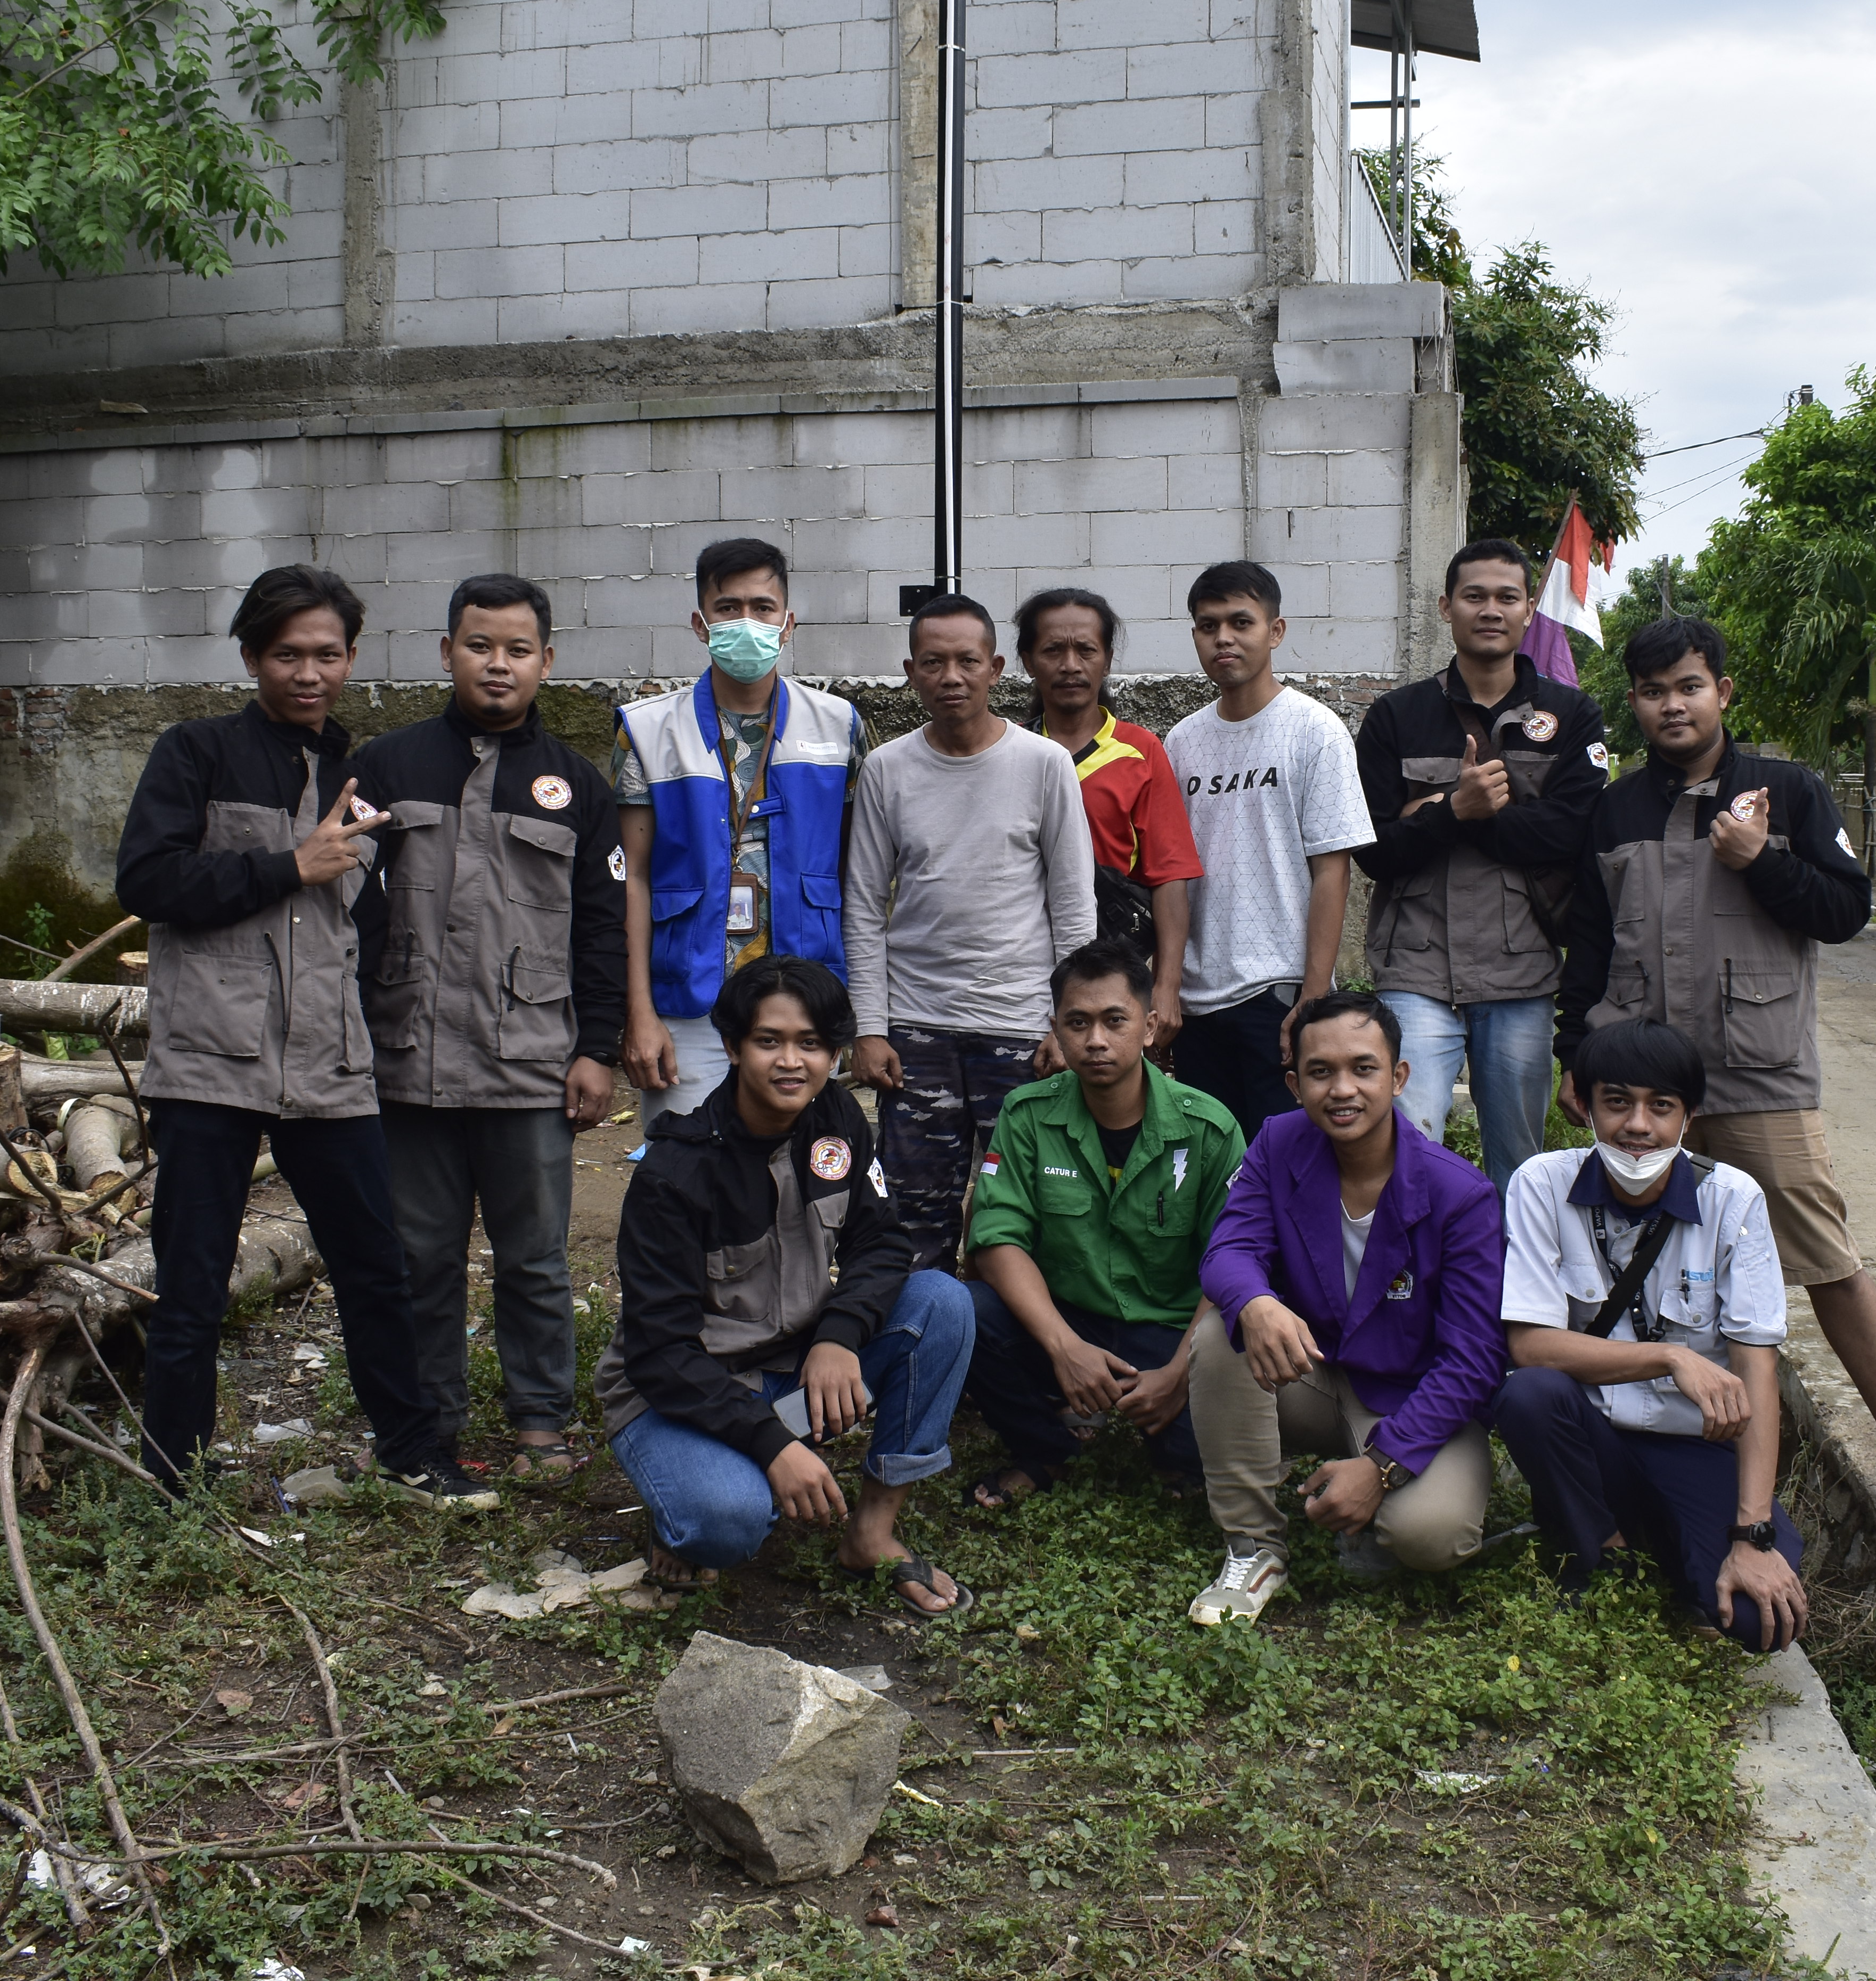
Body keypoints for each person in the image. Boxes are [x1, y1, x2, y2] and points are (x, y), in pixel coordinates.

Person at [1559, 614, 1876, 1534]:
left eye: (1690, 686)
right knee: (1634, 1260)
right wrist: (1578, 1055)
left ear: (1723, 693)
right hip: (1640, 1080)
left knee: (1822, 1255)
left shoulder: (1788, 789)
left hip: (1757, 1067)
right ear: (1635, 703)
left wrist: (1760, 860)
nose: (1674, 704)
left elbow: (1845, 912)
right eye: (1656, 691)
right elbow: (1587, 941)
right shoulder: (1614, 809)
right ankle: (1652, 1455)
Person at [113, 564, 492, 1509]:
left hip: (329, 1064)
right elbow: (148, 882)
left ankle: (412, 1455)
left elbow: (369, 924)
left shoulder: (359, 775)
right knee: (193, 1286)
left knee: (375, 1266)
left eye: (328, 654)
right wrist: (288, 864)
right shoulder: (194, 754)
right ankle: (178, 1486)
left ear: (353, 658)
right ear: (252, 657)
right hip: (211, 1059)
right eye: (289, 654)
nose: (310, 673)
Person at [592, 955, 976, 1614]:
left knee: (941, 1301)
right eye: (769, 1041)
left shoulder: (837, 1121)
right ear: (733, 1046)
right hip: (682, 1394)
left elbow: (880, 1241)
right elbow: (662, 1357)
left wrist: (838, 1337)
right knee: (726, 1522)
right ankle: (694, 1499)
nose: (791, 1061)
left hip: (793, 1374)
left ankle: (872, 1531)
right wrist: (770, 1443)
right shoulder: (675, 1173)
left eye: (812, 1043)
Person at [348, 575, 625, 1475]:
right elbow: (353, 910)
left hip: (530, 1063)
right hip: (408, 1062)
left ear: (547, 661)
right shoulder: (389, 767)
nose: (496, 665)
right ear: (446, 652)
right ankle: (431, 1427)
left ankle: (541, 1420)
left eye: (516, 649)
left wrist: (596, 1050)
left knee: (535, 1261)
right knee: (419, 1255)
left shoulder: (578, 787)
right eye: (479, 646)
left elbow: (601, 927)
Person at [1184, 993, 1506, 1623]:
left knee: (1430, 1537)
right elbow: (1228, 1249)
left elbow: (1475, 1358)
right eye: (1321, 1071)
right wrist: (1255, 1300)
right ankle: (1254, 1547)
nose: (1343, 1089)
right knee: (1223, 1335)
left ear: (1399, 1076)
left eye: (1364, 1068)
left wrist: (1381, 1467)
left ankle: (1378, 1508)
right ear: (1294, 1082)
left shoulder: (1460, 1195)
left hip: (1412, 1398)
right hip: (1314, 1376)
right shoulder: (1279, 1143)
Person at [1490, 1019, 1807, 1652]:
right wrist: (1668, 1356)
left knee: (1755, 1624)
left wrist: (1753, 1535)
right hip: (1593, 1435)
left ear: (1691, 1114)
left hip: (1697, 1445)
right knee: (1529, 1393)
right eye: (1617, 1102)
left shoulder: (1733, 1200)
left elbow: (1756, 1368)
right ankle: (1602, 1552)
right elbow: (1528, 1345)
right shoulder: (1542, 1184)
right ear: (1584, 1103)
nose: (1638, 1126)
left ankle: (1669, 1540)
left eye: (1661, 1107)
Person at [846, 594, 1098, 1271]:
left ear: (996, 668)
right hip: (917, 1033)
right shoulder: (887, 770)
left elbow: (1074, 906)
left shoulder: (1044, 765)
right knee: (912, 1220)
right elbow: (865, 907)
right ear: (910, 671)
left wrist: (1066, 1023)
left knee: (1022, 1220)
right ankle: (924, 1362)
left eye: (966, 661)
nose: (951, 676)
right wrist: (870, 1028)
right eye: (933, 662)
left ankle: (1014, 1368)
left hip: (1020, 1030)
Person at [1353, 537, 1608, 1189]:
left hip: (1522, 970)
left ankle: (1508, 1294)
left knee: (1519, 1165)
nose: (1490, 609)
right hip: (1414, 965)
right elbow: (1376, 851)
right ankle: (1417, 1287)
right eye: (1474, 596)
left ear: (1529, 612)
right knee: (1405, 1151)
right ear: (1446, 607)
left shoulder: (1572, 715)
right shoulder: (1395, 716)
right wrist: (1453, 812)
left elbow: (1570, 833)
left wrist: (1454, 814)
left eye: (1507, 597)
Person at [958, 937, 1246, 1507]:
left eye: (1115, 1020)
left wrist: (1178, 1374)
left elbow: (1236, 1261)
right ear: (1056, 1030)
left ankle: (1175, 1449)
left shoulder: (1209, 1128)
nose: (1095, 1040)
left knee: (1198, 1437)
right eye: (1078, 1022)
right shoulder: (1027, 1114)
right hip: (1065, 1321)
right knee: (962, 1308)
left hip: (1171, 1337)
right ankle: (1045, 1448)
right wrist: (1063, 1346)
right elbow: (996, 1239)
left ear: (1149, 1025)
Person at [614, 536, 870, 1128]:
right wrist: (640, 1013)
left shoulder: (840, 726)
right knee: (684, 1168)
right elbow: (634, 878)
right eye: (729, 608)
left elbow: (860, 875)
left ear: (788, 622)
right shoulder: (649, 731)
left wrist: (860, 1012)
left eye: (763, 607)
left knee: (803, 1173)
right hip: (689, 1002)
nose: (747, 622)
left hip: (805, 1000)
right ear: (701, 624)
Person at [1164, 562, 1374, 1139]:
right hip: (1199, 1001)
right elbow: (1174, 876)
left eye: (1241, 622)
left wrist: (1311, 995)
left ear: (1275, 631)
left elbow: (1333, 869)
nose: (1224, 638)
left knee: (1287, 1163)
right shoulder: (1182, 741)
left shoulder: (1316, 730)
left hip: (1279, 997)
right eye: (1208, 626)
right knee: (1212, 1173)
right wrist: (1169, 986)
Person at [1017, 587, 1201, 1046]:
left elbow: (1169, 875)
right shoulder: (1007, 751)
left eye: (1086, 650)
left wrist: (1167, 984)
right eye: (1053, 650)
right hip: (1017, 974)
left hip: (1114, 974)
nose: (1071, 665)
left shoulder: (1142, 752)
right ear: (1026, 660)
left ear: (1108, 659)